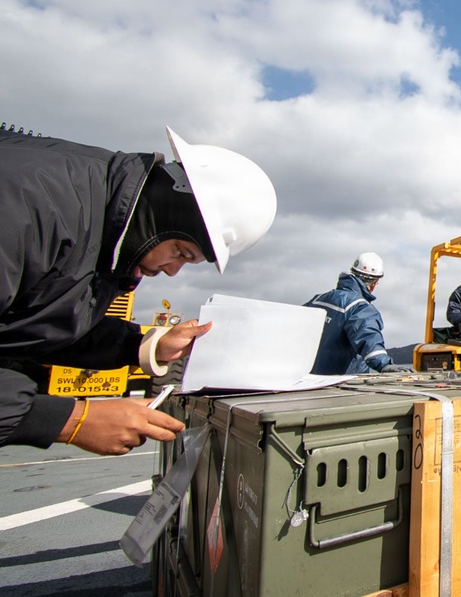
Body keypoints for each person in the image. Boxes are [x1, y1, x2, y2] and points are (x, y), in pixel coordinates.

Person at [1, 125, 277, 455]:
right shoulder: (27, 203)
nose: (173, 271)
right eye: (181, 252)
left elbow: (40, 321)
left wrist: (147, 345)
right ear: (162, 213)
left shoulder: (91, 223)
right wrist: (71, 419)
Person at [305, 253, 411, 375]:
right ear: (374, 284)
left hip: (308, 379)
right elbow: (368, 337)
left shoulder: (317, 300)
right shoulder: (361, 308)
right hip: (340, 383)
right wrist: (385, 364)